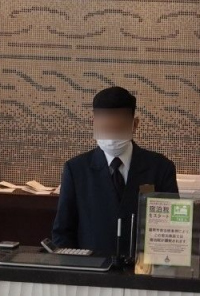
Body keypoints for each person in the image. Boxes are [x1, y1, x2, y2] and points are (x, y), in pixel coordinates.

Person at [51, 85, 178, 255]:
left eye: (118, 127)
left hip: (141, 267)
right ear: (93, 123)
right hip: (91, 267)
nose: (111, 136)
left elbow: (171, 229)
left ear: (134, 124)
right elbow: (63, 232)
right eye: (106, 127)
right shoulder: (76, 170)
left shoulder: (161, 168)